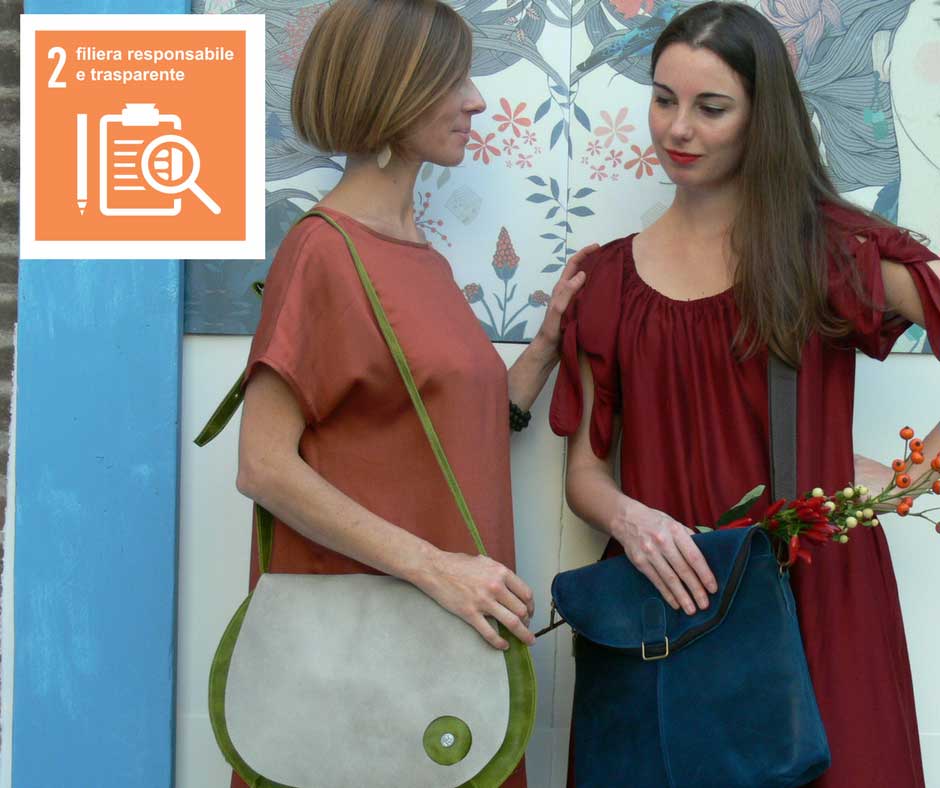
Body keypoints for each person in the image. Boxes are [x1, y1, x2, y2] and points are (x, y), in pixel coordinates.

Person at [549, 2, 940, 786]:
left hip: (818, 599)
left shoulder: (828, 251)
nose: (678, 129)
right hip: (671, 608)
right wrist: (630, 521)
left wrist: (909, 477)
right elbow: (586, 473)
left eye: (711, 107)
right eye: (664, 99)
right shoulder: (608, 281)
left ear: (762, 118)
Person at [233, 1, 593, 786]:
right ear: (392, 91)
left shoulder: (418, 254)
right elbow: (263, 466)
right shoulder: (323, 251)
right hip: (376, 652)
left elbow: (451, 429)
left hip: (446, 638)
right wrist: (438, 569)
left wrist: (546, 343)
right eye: (453, 81)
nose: (476, 101)